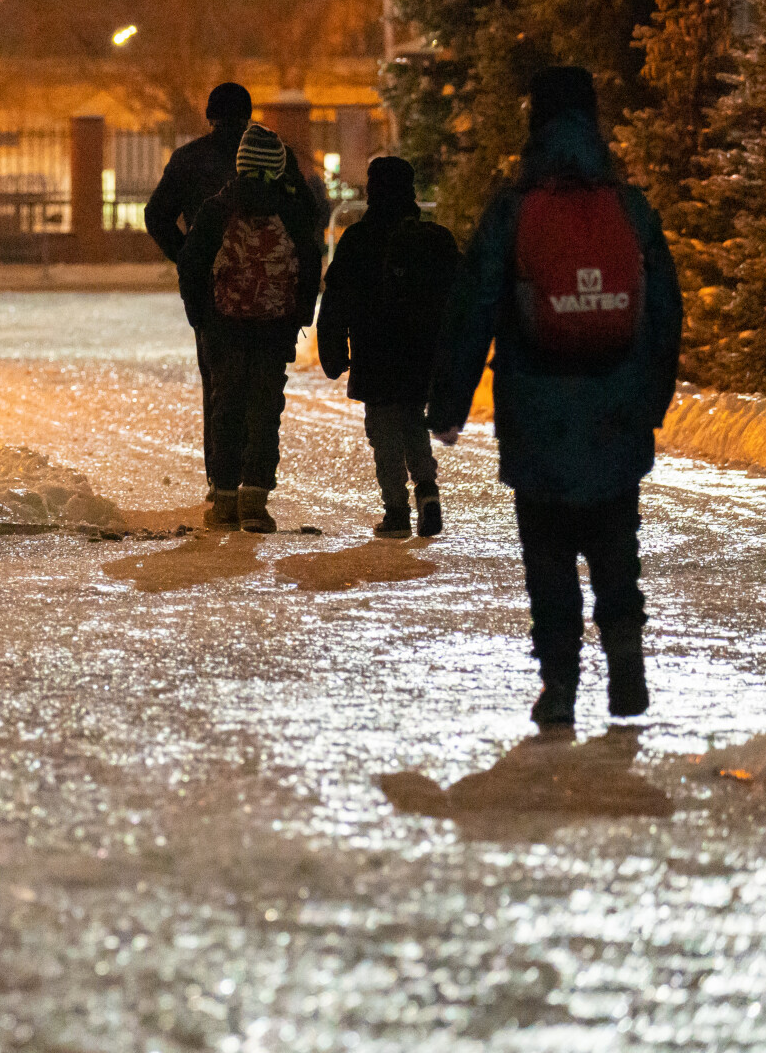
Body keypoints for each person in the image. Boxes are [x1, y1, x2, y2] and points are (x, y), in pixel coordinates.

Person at [425, 67, 683, 727]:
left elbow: (471, 308)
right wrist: (649, 400)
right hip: (616, 413)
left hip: (537, 416)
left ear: (535, 123)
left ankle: (560, 685)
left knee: (549, 560)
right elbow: (663, 311)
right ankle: (627, 673)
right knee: (616, 549)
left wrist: (449, 403)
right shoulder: (629, 206)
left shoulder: (513, 210)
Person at [174, 124, 324, 533]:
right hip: (274, 329)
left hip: (224, 326)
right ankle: (255, 503)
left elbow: (192, 264)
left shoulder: (217, 207)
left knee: (227, 409)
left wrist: (200, 315)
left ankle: (224, 504)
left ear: (240, 165)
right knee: (264, 411)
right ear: (276, 168)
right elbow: (311, 265)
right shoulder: (291, 211)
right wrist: (299, 316)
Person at [317, 156, 459, 538]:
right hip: (420, 352)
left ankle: (396, 511)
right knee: (413, 420)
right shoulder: (432, 239)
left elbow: (336, 298)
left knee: (382, 428)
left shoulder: (359, 240)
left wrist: (331, 349)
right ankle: (427, 493)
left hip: (374, 352)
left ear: (372, 190)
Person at [146, 82, 253, 524]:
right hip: (267, 291)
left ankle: (221, 481)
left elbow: (156, 216)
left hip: (211, 290)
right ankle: (254, 481)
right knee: (262, 385)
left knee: (219, 383)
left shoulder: (189, 160)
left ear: (210, 114)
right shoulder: (270, 156)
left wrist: (188, 254)